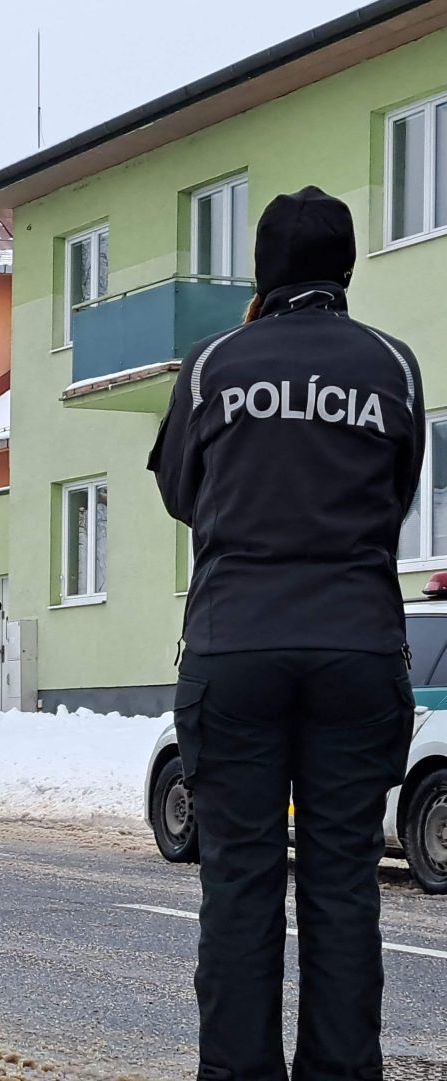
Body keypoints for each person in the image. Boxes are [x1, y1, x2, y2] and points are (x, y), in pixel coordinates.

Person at [149, 186, 425, 1081]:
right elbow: (399, 493)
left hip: (236, 650)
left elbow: (180, 492)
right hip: (355, 646)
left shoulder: (214, 363)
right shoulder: (395, 366)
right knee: (343, 886)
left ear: (262, 273)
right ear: (345, 267)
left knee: (241, 884)